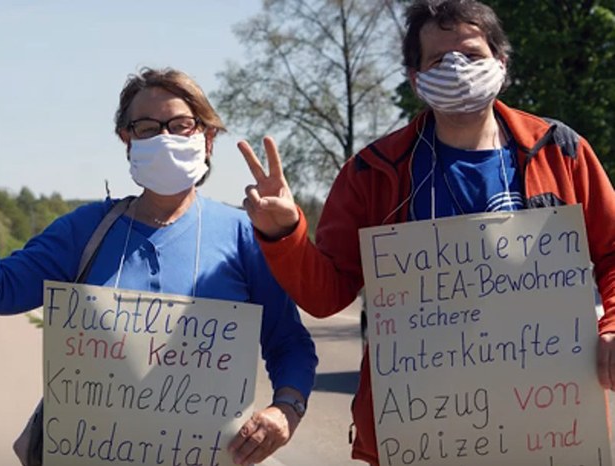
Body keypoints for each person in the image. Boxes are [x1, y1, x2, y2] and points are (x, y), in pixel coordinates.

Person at [237, 0, 615, 464]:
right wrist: (287, 232)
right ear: (416, 79)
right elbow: (326, 295)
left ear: (501, 62)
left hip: (545, 430)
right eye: (438, 60)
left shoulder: (561, 152)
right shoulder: (371, 174)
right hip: (421, 432)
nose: (457, 67)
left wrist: (612, 325)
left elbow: (612, 252)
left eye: (472, 55)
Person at [0, 67, 318, 466]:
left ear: (207, 139)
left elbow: (288, 342)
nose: (165, 138)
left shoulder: (243, 236)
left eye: (181, 125)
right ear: (126, 139)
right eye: (146, 128)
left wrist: (287, 409)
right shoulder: (84, 230)